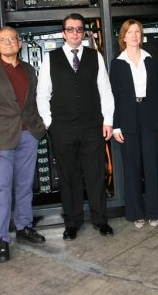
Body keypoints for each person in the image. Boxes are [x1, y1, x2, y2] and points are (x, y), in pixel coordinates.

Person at [36, 13, 115, 241]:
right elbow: (42, 95)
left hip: (92, 126)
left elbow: (105, 91)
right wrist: (50, 123)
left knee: (96, 174)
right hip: (62, 128)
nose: (75, 33)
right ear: (63, 33)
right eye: (70, 29)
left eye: (79, 29)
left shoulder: (95, 56)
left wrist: (108, 120)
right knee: (68, 176)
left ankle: (100, 220)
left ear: (84, 33)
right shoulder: (50, 58)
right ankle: (72, 222)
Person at [0, 26, 47, 264]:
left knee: (25, 187)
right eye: (2, 40)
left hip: (28, 136)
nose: (8, 42)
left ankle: (24, 227)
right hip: (1, 140)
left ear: (19, 43)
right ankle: (2, 239)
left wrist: (40, 126)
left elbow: (34, 102)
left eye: (12, 39)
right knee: (2, 189)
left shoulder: (29, 70)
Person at [109, 19, 158, 229]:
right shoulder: (117, 63)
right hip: (127, 118)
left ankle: (154, 211)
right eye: (130, 32)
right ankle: (136, 213)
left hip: (150, 114)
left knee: (152, 166)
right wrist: (116, 125)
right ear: (123, 37)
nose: (134, 35)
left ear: (141, 36)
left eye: (137, 32)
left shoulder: (150, 60)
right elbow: (113, 97)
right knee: (131, 167)